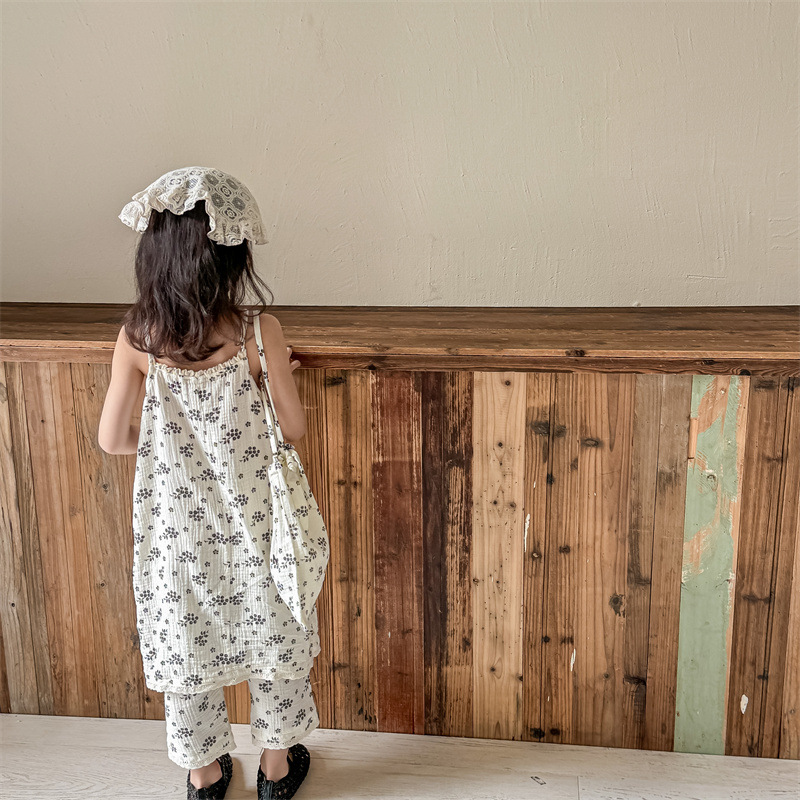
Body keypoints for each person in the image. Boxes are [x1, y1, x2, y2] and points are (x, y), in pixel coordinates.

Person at [98, 166, 322, 800]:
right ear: (231, 254)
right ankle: (274, 769)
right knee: (272, 627)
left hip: (178, 536)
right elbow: (292, 428)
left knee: (186, 638)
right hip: (258, 527)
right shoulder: (257, 333)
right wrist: (275, 374)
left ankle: (204, 775)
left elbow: (112, 438)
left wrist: (167, 446)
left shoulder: (137, 339)